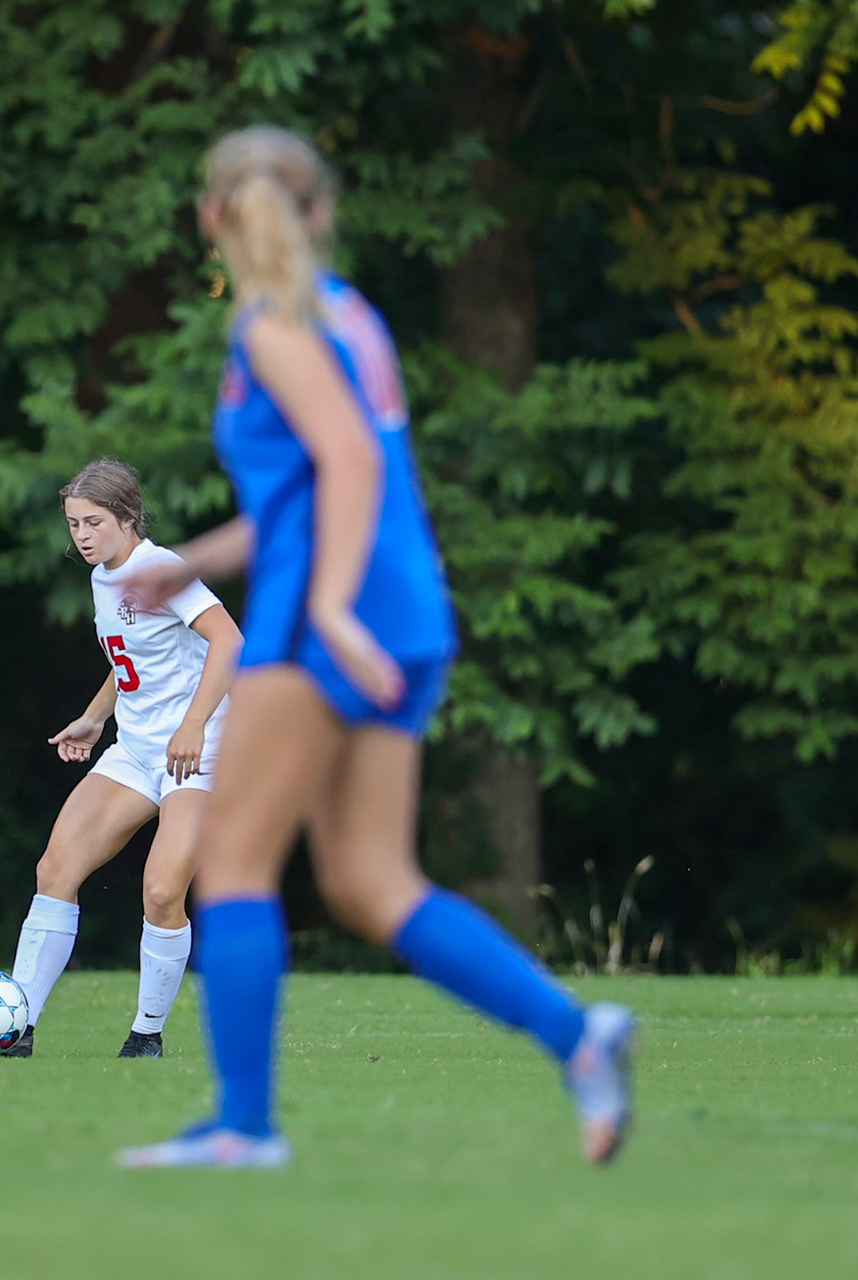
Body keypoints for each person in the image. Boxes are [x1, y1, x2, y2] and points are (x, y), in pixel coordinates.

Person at [114, 128, 635, 1168]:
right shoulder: (352, 315)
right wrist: (194, 563)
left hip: (328, 622)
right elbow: (311, 488)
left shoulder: (272, 327)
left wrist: (331, 611)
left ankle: (244, 1129)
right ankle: (578, 1036)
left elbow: (349, 460)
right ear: (322, 213)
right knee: (367, 881)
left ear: (211, 217)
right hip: (407, 614)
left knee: (233, 863)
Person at [0, 459, 243, 1058]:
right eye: (74, 524)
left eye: (94, 522)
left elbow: (229, 641)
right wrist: (96, 716)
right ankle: (14, 1027)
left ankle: (146, 1034)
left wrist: (194, 725)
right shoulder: (105, 577)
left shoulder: (161, 569)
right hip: (137, 749)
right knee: (56, 869)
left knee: (162, 892)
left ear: (128, 518)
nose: (82, 535)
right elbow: (130, 658)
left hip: (200, 753)